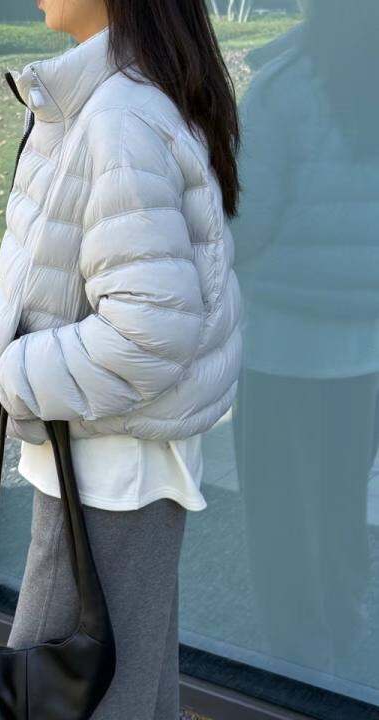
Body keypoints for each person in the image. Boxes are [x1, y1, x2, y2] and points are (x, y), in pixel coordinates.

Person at [0, 0, 242, 717]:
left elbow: (146, 333)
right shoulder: (119, 97)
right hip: (109, 458)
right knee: (125, 688)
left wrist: (12, 372)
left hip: (106, 470)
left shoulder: (119, 115)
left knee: (67, 696)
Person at [232, 0, 379, 676]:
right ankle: (346, 629)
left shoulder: (281, 87)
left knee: (281, 515)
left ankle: (298, 661)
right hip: (366, 353)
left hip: (281, 353)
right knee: (342, 499)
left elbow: (246, 224)